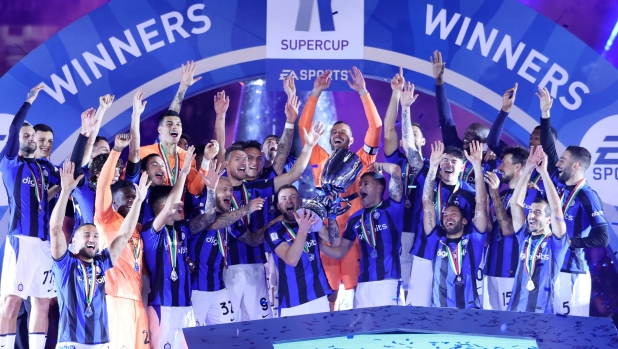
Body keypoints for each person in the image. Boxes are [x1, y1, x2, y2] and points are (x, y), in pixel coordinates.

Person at [222, 121, 324, 321]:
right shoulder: (220, 192)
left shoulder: (257, 188)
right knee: (229, 327)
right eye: (244, 158)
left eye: (256, 158)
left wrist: (309, 146)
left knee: (260, 326)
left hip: (258, 265)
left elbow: (293, 174)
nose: (249, 162)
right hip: (229, 268)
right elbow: (251, 239)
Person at [299, 67, 382, 310]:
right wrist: (315, 93)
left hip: (356, 235)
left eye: (343, 133)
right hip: (326, 233)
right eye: (334, 132)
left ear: (351, 140)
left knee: (357, 294)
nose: (337, 134)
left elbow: (375, 129)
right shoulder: (319, 157)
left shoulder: (361, 160)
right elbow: (305, 131)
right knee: (329, 294)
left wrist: (364, 93)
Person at [50, 160, 149, 348]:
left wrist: (138, 201)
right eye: (86, 235)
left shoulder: (102, 263)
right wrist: (64, 192)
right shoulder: (65, 263)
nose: (92, 239)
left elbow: (125, 234)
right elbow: (55, 229)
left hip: (99, 343)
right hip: (71, 341)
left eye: (96, 236)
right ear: (74, 242)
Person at [536, 87, 609, 316]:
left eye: (563, 160)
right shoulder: (558, 183)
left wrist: (567, 242)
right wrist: (545, 115)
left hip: (571, 272)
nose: (558, 163)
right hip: (547, 266)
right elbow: (548, 148)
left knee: (567, 335)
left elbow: (603, 237)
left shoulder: (588, 196)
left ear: (575, 166)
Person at [0, 85, 61, 349]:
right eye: (26, 135)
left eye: (31, 135)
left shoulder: (44, 169)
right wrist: (29, 102)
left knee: (42, 301)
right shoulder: (10, 163)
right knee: (12, 301)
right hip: (21, 241)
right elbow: (13, 129)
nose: (31, 138)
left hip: (45, 244)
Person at [141, 146, 216, 349]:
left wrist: (211, 189)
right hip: (162, 306)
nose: (181, 206)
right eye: (175, 204)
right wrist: (183, 173)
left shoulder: (183, 228)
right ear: (161, 207)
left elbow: (208, 217)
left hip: (186, 305)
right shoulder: (150, 230)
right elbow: (168, 209)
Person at [319, 162, 404, 308]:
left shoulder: (392, 208)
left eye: (366, 184)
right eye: (360, 185)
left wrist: (380, 166)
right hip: (363, 284)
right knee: (362, 330)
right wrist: (319, 245)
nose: (361, 188)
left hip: (388, 283)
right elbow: (339, 252)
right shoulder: (354, 219)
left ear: (380, 188)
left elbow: (396, 170)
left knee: (388, 330)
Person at [94, 132, 150, 348]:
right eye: (127, 197)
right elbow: (102, 185)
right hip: (114, 298)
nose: (132, 200)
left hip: (136, 301)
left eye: (134, 197)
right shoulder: (106, 219)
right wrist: (116, 150)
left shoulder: (136, 229)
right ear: (113, 202)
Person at [189, 166, 262, 326]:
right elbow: (211, 222)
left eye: (231, 190)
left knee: (228, 335)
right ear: (213, 192)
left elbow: (252, 240)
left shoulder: (230, 221)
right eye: (224, 189)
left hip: (220, 290)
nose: (230, 193)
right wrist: (246, 209)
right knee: (193, 339)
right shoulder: (197, 213)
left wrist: (275, 223)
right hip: (196, 292)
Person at [421, 140, 489, 309]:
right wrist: (432, 167)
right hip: (439, 314)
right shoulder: (436, 240)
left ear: (465, 220)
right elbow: (427, 202)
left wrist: (477, 165)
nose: (447, 216)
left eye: (454, 214)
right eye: (445, 214)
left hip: (469, 314)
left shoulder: (474, 241)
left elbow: (481, 202)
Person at [407, 144, 476, 307]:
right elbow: (410, 152)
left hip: (453, 258)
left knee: (447, 305)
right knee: (417, 307)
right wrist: (432, 166)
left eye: (453, 161)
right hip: (425, 252)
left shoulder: (470, 194)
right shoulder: (429, 178)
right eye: (444, 160)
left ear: (462, 167)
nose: (448, 164)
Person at [506, 146, 569, 313]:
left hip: (543, 312)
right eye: (531, 211)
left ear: (549, 219)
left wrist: (543, 173)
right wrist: (528, 168)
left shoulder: (556, 243)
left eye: (538, 212)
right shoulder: (524, 236)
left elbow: (556, 209)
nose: (531, 216)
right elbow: (515, 204)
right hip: (515, 309)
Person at [383, 69, 428, 303]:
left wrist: (407, 108)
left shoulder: (430, 166)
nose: (409, 137)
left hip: (418, 231)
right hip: (393, 229)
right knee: (391, 283)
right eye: (407, 135)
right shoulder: (396, 160)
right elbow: (388, 129)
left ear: (422, 141)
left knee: (412, 286)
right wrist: (395, 95)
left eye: (414, 134)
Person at [430, 50, 501, 188]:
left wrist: (495, 151)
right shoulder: (456, 147)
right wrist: (439, 81)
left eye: (472, 134)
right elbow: (445, 118)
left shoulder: (491, 162)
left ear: (485, 141)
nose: (465, 136)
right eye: (466, 132)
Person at [138, 62, 208, 196]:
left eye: (178, 125)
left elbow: (195, 190)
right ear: (160, 130)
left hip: (177, 213)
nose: (174, 127)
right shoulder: (144, 153)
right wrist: (183, 87)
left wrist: (206, 161)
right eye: (169, 125)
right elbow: (171, 114)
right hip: (148, 211)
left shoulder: (186, 157)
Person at [483, 146, 539, 310]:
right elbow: (493, 232)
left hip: (512, 271)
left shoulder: (533, 196)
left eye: (504, 163)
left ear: (518, 166)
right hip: (492, 268)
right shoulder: (502, 194)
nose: (499, 167)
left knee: (510, 324)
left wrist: (493, 194)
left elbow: (509, 230)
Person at [265, 185, 331, 316]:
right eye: (284, 198)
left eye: (293, 197)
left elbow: (334, 241)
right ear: (278, 206)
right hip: (292, 304)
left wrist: (332, 216)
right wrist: (303, 230)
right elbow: (291, 260)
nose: (289, 201)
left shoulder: (311, 221)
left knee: (324, 337)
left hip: (319, 297)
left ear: (300, 202)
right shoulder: (274, 231)